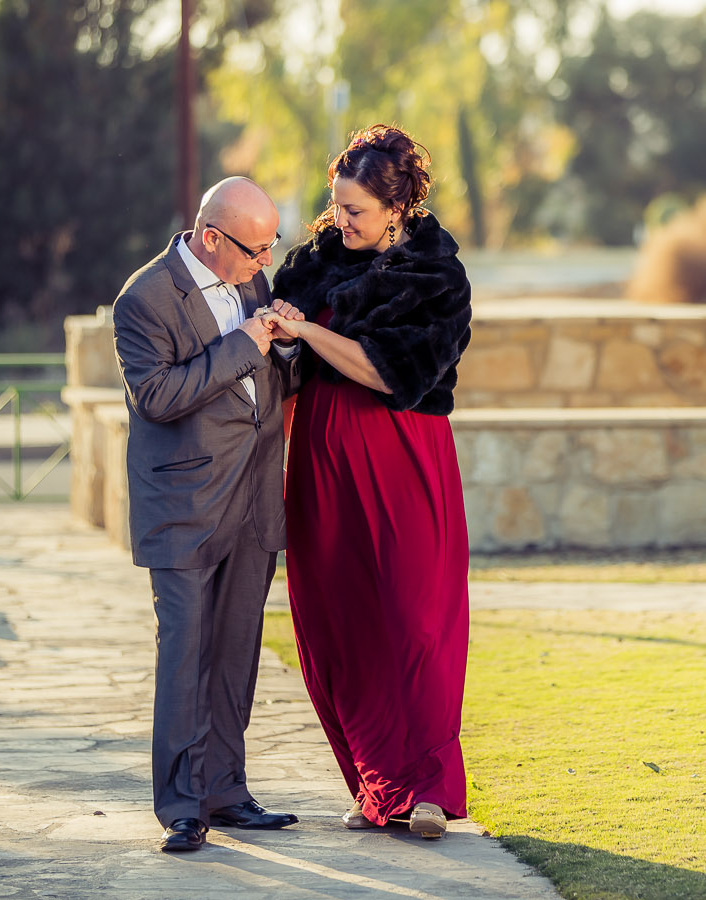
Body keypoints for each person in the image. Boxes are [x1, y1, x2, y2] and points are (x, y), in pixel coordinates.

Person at [266, 124, 472, 839]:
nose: (341, 220)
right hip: (323, 456)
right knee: (338, 620)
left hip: (404, 457)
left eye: (355, 210)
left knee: (414, 619)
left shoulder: (435, 275)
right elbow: (279, 348)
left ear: (396, 208)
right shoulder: (312, 264)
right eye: (336, 206)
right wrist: (285, 317)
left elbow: (393, 375)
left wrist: (311, 335)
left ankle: (429, 792)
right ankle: (378, 786)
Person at [112, 176, 306, 852]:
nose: (266, 259)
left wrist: (283, 345)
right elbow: (158, 397)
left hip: (253, 499)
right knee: (186, 654)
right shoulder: (143, 299)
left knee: (233, 654)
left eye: (270, 244)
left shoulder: (251, 279)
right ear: (212, 237)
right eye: (257, 247)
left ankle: (227, 791)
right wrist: (244, 345)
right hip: (184, 506)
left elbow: (268, 382)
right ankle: (182, 807)